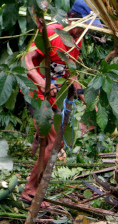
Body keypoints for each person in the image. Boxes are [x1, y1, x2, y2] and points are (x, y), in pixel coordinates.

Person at [19, 15, 86, 204]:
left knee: (56, 143)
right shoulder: (51, 32)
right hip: (36, 93)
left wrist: (84, 94)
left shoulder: (76, 43)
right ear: (72, 18)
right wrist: (41, 82)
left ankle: (35, 187)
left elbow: (69, 74)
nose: (84, 31)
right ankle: (30, 190)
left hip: (56, 97)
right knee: (54, 142)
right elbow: (26, 60)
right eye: (83, 25)